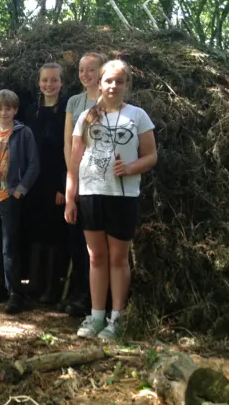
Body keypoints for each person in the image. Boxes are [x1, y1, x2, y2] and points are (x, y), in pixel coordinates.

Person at [65, 60, 157, 340]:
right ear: (99, 83)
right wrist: (71, 196)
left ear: (127, 84)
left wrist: (129, 168)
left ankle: (116, 319)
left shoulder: (138, 115)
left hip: (123, 196)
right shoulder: (87, 116)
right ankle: (95, 317)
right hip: (91, 194)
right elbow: (75, 160)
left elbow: (151, 155)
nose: (113, 86)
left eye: (119, 81)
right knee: (96, 258)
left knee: (118, 258)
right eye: (109, 81)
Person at [0, 90, 39, 314]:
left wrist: (20, 191)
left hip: (9, 197)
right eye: (0, 108)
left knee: (9, 246)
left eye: (9, 108)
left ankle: (15, 293)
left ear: (15, 110)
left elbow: (34, 165)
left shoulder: (24, 133)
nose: (4, 112)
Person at [61, 52, 107, 317]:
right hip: (75, 178)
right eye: (82, 70)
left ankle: (97, 298)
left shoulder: (109, 102)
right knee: (76, 240)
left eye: (91, 70)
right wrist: (72, 178)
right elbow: (69, 142)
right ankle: (79, 293)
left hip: (101, 182)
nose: (85, 74)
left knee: (98, 243)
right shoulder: (74, 102)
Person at [24, 63, 68, 304]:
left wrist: (63, 185)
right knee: (36, 230)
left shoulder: (67, 110)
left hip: (56, 180)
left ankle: (52, 287)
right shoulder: (31, 111)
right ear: (38, 82)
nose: (49, 84)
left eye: (54, 80)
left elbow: (68, 150)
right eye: (44, 80)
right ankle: (34, 283)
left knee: (55, 233)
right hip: (34, 181)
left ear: (61, 83)